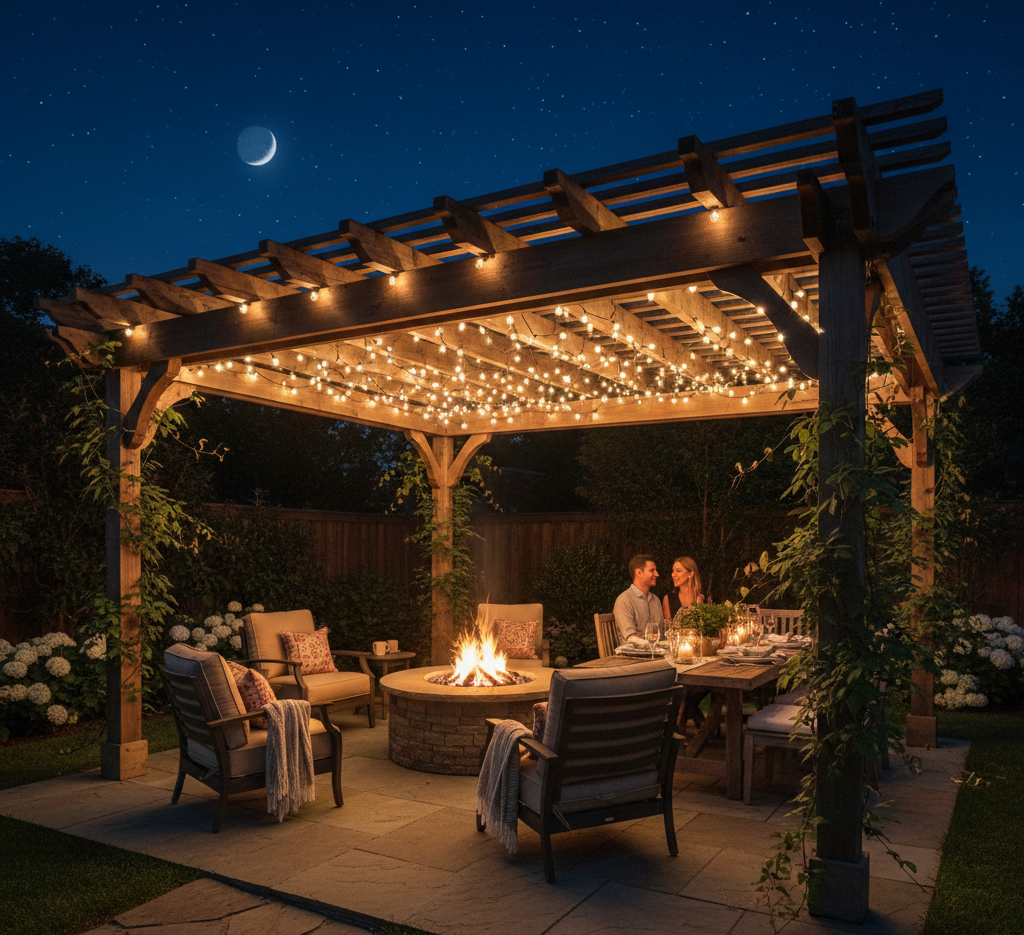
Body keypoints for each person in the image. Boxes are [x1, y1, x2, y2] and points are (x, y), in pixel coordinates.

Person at [613, 554, 664, 644]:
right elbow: (630, 637)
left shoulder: (655, 600)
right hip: (633, 655)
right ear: (639, 572)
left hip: (655, 654)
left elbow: (661, 636)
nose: (657, 574)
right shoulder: (624, 600)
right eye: (652, 570)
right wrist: (652, 646)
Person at [663, 556, 704, 622]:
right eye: (673, 571)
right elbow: (668, 628)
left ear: (690, 574)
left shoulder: (703, 598)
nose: (673, 574)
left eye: (678, 571)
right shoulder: (669, 599)